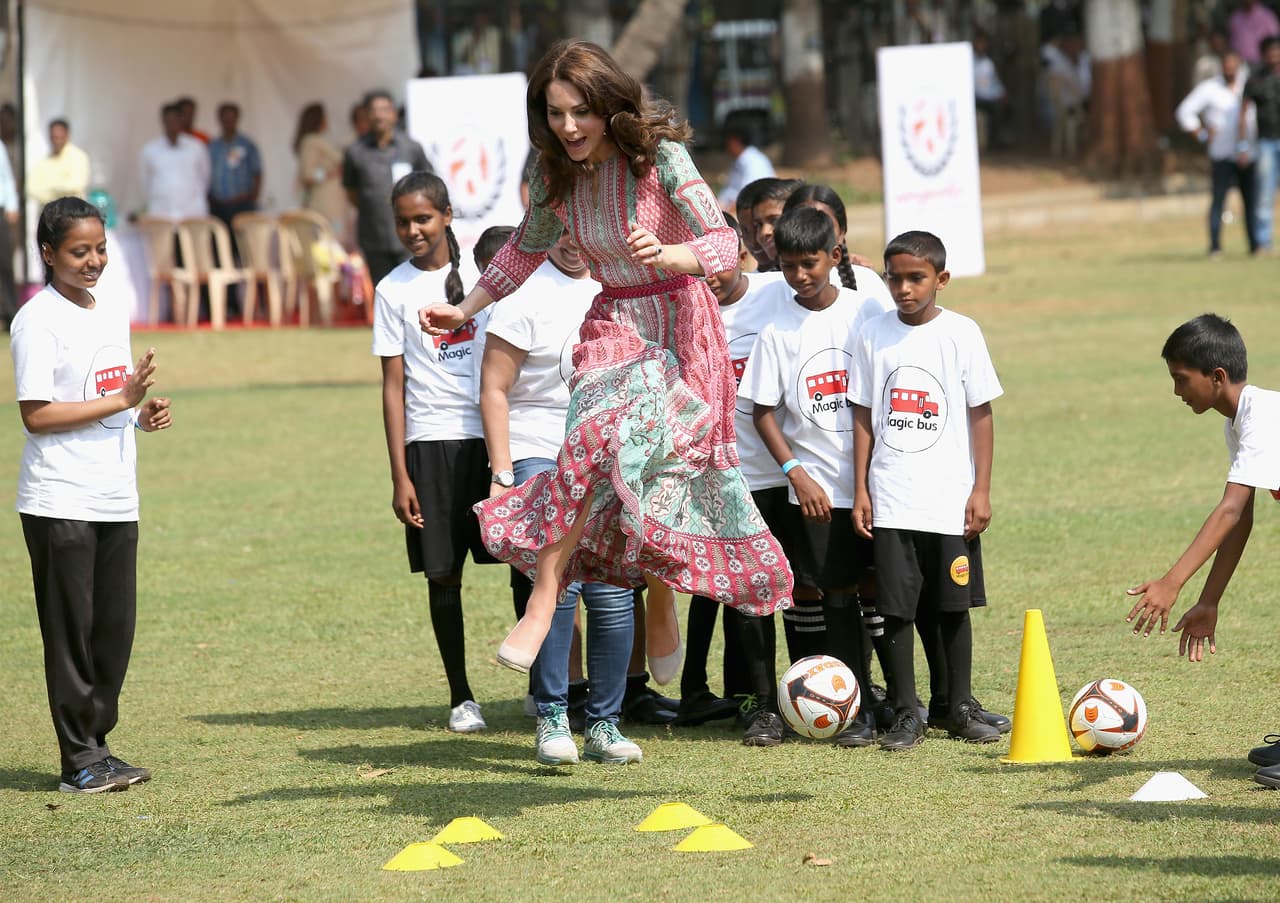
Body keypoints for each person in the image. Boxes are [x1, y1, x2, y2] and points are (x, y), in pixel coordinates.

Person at [419, 40, 793, 681]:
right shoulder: (552, 173)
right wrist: (468, 308)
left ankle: (662, 598)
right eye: (555, 112)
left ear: (609, 107)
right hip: (616, 316)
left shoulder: (659, 158)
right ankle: (543, 596)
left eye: (580, 113)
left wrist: (673, 256)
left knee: (645, 463)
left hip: (681, 323)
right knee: (589, 444)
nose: (568, 127)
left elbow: (723, 244)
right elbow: (522, 250)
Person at [10, 197, 173, 793]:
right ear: (49, 254)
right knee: (71, 634)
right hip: (59, 500)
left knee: (113, 631)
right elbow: (37, 415)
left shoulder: (110, 312)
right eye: (80, 251)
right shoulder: (37, 319)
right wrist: (122, 401)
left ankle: (98, 746)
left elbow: (105, 397)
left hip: (114, 496)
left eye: (100, 248)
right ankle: (78, 758)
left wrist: (138, 417)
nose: (94, 261)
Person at [479, 231, 644, 764]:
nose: (574, 243)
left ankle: (605, 722)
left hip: (607, 455)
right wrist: (503, 473)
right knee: (559, 585)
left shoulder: (617, 289)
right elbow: (495, 390)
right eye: (561, 229)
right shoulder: (523, 296)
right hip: (540, 450)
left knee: (613, 590)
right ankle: (552, 716)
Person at [738, 208, 893, 748]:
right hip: (818, 490)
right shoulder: (778, 331)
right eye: (789, 266)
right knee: (832, 592)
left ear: (835, 256)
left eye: (810, 263)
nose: (800, 275)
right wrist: (794, 472)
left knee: (881, 592)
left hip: (876, 484)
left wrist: (878, 476)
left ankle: (889, 700)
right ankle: (847, 708)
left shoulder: (866, 310)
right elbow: (761, 410)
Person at [849, 230, 1004, 749]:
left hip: (948, 500)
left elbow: (981, 414)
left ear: (941, 279)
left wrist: (981, 489)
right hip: (892, 496)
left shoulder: (963, 333)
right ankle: (906, 713)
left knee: (952, 607)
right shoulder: (872, 333)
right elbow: (864, 417)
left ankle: (957, 706)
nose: (904, 288)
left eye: (916, 278)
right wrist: (862, 488)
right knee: (895, 608)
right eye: (894, 278)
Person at [1125, 313, 1280, 790]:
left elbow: (1230, 510)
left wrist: (1173, 582)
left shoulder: (1263, 416)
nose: (1176, 392)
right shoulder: (1239, 420)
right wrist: (1209, 599)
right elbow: (1244, 518)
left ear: (1216, 377)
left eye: (1181, 379)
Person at [372, 171, 493, 734]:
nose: (413, 230)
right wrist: (401, 474)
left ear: (447, 215)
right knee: (443, 575)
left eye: (422, 218)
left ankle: (550, 692)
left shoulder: (486, 276)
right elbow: (392, 387)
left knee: (527, 565)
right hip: (431, 444)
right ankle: (461, 696)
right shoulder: (392, 289)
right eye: (403, 222)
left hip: (495, 439)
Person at [674, 213, 784, 732]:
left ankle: (793, 691)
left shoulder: (774, 293)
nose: (708, 271)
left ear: (739, 251)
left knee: (785, 588)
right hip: (713, 473)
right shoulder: (683, 305)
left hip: (780, 472)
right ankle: (724, 694)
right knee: (716, 586)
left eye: (714, 257)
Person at [343, 90, 432, 284]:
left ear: (394, 113)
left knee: (415, 287)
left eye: (384, 109)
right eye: (373, 111)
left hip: (412, 235)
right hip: (373, 236)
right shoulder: (355, 151)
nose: (379, 115)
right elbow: (351, 192)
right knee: (383, 290)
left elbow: (428, 184)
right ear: (367, 115)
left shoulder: (411, 148)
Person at [1177, 50, 1259, 257]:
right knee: (1218, 200)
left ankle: (1256, 245)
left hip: (1248, 154)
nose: (1230, 69)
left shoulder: (1249, 85)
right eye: (1226, 65)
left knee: (1251, 201)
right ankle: (1215, 247)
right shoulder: (1209, 88)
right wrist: (1202, 134)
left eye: (1234, 65)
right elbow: (1184, 111)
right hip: (1221, 153)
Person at [1240, 36, 1280, 253]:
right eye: (1270, 52)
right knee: (1264, 194)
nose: (1274, 56)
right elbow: (1243, 111)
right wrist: (1242, 145)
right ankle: (1263, 243)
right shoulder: (1256, 79)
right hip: (1266, 141)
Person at [139, 102, 210, 220]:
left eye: (175, 120)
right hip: (161, 213)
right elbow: (145, 182)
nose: (172, 124)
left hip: (193, 213)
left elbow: (205, 178)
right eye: (168, 120)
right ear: (163, 121)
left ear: (181, 120)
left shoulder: (197, 147)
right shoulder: (150, 150)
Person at [294, 103, 348, 239]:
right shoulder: (311, 141)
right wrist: (330, 174)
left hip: (333, 201)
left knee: (336, 238)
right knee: (330, 239)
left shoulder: (319, 140)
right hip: (324, 203)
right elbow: (307, 174)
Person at [207, 103, 263, 231]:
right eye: (225, 118)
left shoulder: (247, 145)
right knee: (221, 244)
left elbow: (258, 173)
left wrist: (252, 200)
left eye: (231, 118)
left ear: (237, 119)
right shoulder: (213, 146)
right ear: (219, 119)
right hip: (218, 205)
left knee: (242, 244)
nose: (228, 122)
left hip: (242, 204)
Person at [28, 119, 92, 206]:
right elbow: (32, 189)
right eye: (54, 137)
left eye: (60, 137)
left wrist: (50, 188)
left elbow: (77, 184)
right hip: (50, 215)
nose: (57, 141)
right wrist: (60, 190)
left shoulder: (78, 156)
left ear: (67, 135)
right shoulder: (43, 162)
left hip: (73, 213)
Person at [717, 122, 775, 213]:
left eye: (727, 141)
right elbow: (729, 191)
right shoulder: (739, 161)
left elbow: (746, 197)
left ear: (735, 140)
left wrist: (725, 213)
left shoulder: (753, 161)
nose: (726, 145)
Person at [749, 177, 804, 271]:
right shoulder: (762, 282)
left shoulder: (830, 278)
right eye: (758, 225)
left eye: (775, 221)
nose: (764, 232)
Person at [1229, 0, 1280, 66]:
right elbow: (1232, 42)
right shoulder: (1235, 18)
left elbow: (1275, 41)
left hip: (1264, 63)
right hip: (1242, 65)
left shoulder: (1267, 16)